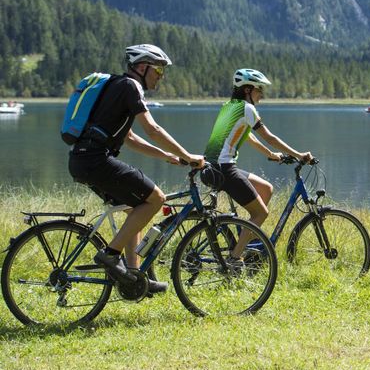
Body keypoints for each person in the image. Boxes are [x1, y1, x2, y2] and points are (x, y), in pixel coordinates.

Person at [69, 44, 205, 293]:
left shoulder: (118, 86)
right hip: (97, 160)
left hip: (82, 160)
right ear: (142, 68)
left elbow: (130, 138)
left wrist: (167, 156)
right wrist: (187, 155)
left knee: (136, 209)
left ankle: (133, 275)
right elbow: (152, 129)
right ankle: (110, 255)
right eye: (158, 71)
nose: (160, 77)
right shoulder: (132, 87)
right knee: (156, 199)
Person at [201, 68, 314, 262]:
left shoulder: (229, 106)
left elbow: (248, 135)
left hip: (212, 167)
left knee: (266, 189)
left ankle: (248, 242)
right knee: (261, 213)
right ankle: (235, 259)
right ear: (247, 90)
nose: (261, 94)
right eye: (258, 89)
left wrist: (271, 155)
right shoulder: (247, 108)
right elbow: (269, 136)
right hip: (224, 169)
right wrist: (299, 155)